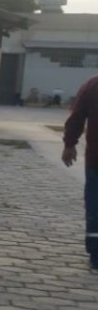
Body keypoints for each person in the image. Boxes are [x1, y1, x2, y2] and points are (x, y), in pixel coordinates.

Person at [62, 74, 98, 269]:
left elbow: (76, 117)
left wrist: (70, 144)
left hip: (96, 160)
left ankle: (96, 254)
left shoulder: (93, 85)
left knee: (95, 206)